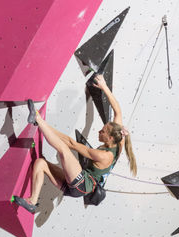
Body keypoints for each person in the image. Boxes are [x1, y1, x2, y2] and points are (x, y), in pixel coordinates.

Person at [14, 74, 137, 213]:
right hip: (77, 184)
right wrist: (104, 86)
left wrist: (42, 123)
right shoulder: (118, 140)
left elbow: (71, 143)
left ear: (109, 138)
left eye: (102, 131)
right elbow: (118, 111)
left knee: (64, 150)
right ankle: (32, 201)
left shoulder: (104, 155)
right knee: (40, 163)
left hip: (82, 185)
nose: (99, 131)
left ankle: (36, 119)